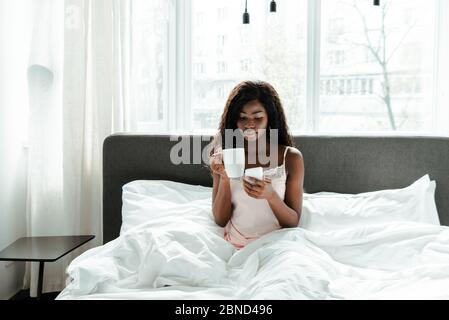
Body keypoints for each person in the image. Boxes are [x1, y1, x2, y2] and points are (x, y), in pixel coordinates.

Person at [208, 80, 304, 250]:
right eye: (242, 117)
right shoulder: (225, 156)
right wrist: (224, 178)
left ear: (270, 118)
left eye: (257, 117)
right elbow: (220, 219)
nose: (249, 125)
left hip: (277, 245)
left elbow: (293, 222)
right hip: (236, 243)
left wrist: (271, 196)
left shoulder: (291, 158)